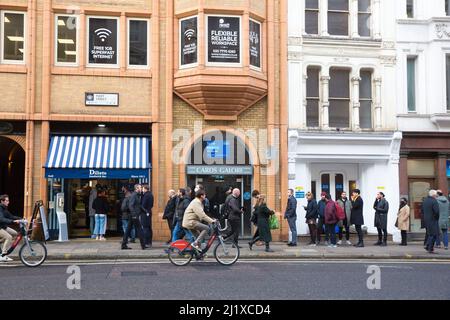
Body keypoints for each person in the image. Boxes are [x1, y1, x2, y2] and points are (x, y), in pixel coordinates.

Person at [121, 184, 147, 250]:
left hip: (133, 215)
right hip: (134, 216)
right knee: (140, 230)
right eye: (140, 187)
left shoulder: (136, 195)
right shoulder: (134, 195)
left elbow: (138, 205)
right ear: (136, 188)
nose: (141, 188)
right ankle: (143, 245)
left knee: (128, 230)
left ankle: (123, 244)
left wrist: (145, 211)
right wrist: (134, 215)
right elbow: (130, 205)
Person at [0, 195, 21, 262]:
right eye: (7, 200)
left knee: (15, 233)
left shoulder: (4, 208)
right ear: (2, 201)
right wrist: (13, 221)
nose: (8, 202)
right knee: (9, 237)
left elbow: (11, 216)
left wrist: (21, 219)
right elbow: (2, 219)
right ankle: (3, 255)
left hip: (3, 226)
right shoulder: (0, 208)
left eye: (8, 200)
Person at [422, 190, 440, 254]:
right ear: (433, 195)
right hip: (433, 219)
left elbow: (422, 211)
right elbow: (437, 211)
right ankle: (430, 248)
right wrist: (436, 218)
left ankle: (428, 246)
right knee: (434, 234)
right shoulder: (434, 201)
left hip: (426, 220)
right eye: (436, 194)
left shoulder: (425, 201)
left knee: (430, 234)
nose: (436, 195)